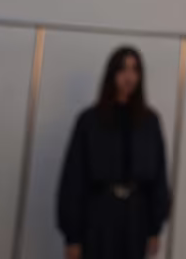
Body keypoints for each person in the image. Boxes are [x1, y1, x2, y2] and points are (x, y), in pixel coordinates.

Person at [58, 47, 171, 259]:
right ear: (112, 74)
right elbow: (73, 178)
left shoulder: (149, 121)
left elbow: (159, 176)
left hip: (136, 217)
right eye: (123, 70)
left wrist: (155, 228)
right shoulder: (90, 121)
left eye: (135, 70)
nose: (129, 77)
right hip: (99, 215)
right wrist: (72, 236)